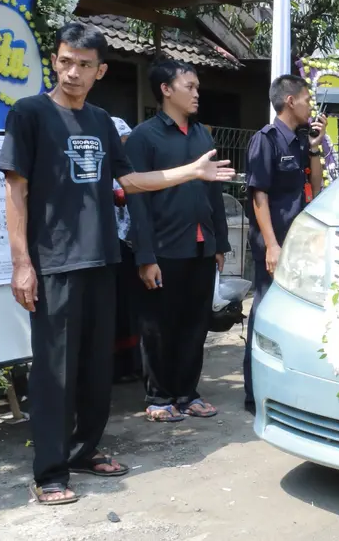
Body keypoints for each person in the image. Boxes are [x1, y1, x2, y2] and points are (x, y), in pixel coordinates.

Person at [0, 22, 234, 506]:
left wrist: (190, 171)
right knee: (55, 371)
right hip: (54, 264)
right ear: (55, 60)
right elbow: (15, 190)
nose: (73, 72)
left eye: (84, 65)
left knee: (94, 367)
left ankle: (85, 451)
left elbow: (133, 182)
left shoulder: (103, 122)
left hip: (103, 258)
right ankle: (50, 471)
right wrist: (22, 263)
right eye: (65, 61)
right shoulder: (29, 114)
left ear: (101, 70)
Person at [125, 59, 231, 423]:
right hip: (163, 249)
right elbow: (136, 199)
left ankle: (188, 393)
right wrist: (145, 255)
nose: (196, 93)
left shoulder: (202, 135)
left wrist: (219, 244)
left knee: (195, 325)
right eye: (189, 86)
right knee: (158, 327)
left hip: (200, 246)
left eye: (197, 86)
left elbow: (213, 191)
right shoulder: (144, 137)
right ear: (166, 90)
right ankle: (159, 396)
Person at [243, 74, 325, 415]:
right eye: (307, 99)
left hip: (298, 241)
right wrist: (272, 246)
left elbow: (316, 188)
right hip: (273, 241)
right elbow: (258, 195)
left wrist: (317, 148)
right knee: (265, 309)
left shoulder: (301, 140)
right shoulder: (266, 140)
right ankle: (253, 391)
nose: (310, 105)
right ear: (290, 100)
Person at [110, 117, 143, 384]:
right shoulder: (102, 169)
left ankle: (134, 364)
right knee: (117, 309)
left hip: (132, 245)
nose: (124, 145)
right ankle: (117, 367)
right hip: (111, 247)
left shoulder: (130, 166)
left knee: (132, 308)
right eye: (120, 141)